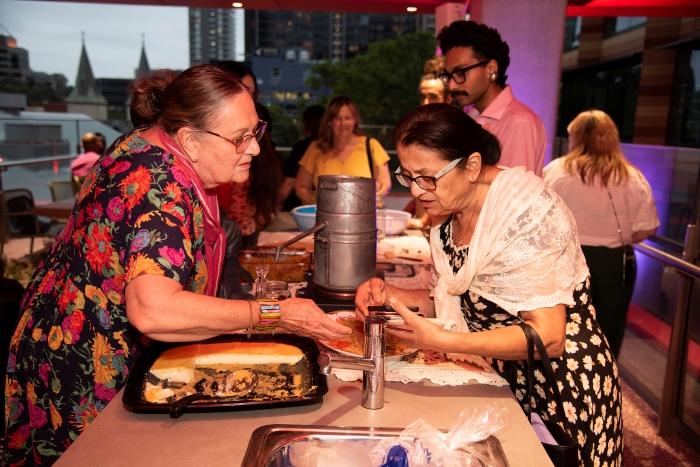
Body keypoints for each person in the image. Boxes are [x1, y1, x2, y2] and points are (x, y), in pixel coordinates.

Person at [2, 64, 350, 466]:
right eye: (240, 138)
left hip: (57, 331)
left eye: (256, 131)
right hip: (84, 360)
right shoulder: (161, 187)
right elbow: (153, 308)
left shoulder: (149, 142)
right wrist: (275, 315)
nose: (254, 148)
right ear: (190, 139)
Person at [355, 104, 623, 467]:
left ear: (473, 166)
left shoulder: (527, 213)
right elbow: (449, 299)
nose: (417, 192)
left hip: (565, 389)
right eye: (408, 177)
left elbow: (550, 336)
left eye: (428, 177)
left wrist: (444, 341)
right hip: (508, 381)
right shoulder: (449, 218)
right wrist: (390, 294)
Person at [543, 110, 659, 358]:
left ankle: (565, 387)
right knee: (608, 332)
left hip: (565, 259)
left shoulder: (556, 171)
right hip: (614, 264)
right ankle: (603, 387)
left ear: (576, 137)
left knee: (565, 330)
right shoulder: (632, 176)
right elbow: (648, 226)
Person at [437, 21, 546, 176]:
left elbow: (514, 196)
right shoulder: (472, 118)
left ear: (491, 69)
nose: (452, 86)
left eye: (460, 73)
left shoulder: (519, 123)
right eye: (448, 76)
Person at [295, 96, 392, 205]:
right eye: (337, 118)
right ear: (329, 121)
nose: (343, 123)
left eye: (348, 118)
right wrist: (319, 203)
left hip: (362, 218)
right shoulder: (315, 148)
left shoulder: (372, 146)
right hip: (325, 219)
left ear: (355, 120)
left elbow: (385, 185)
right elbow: (300, 187)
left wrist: (366, 203)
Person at [218, 102, 284, 249]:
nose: (253, 148)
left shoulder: (233, 162)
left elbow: (221, 211)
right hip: (248, 230)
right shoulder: (266, 160)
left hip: (230, 234)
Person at [280, 105, 325, 211]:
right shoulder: (329, 148)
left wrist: (268, 208)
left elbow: (290, 182)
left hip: (300, 209)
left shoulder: (304, 147)